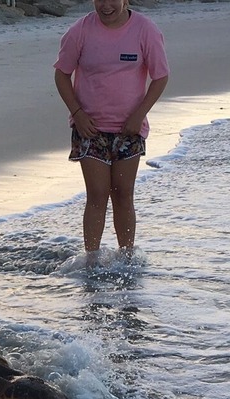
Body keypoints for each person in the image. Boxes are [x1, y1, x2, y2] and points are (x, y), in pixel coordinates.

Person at [54, 0, 169, 261]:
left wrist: (139, 115)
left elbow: (160, 76)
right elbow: (61, 74)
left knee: (123, 194)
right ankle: (91, 260)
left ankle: (126, 257)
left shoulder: (145, 30)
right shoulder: (79, 31)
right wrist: (77, 114)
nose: (106, 5)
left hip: (129, 129)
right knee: (97, 194)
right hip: (90, 128)